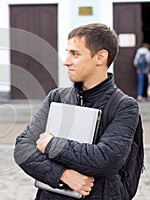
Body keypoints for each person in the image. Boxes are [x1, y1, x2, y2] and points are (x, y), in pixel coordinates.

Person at [14, 23, 139, 199]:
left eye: (75, 54)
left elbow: (106, 159)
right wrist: (63, 175)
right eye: (68, 52)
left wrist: (51, 144)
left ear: (100, 57)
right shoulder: (56, 97)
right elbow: (22, 149)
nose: (66, 61)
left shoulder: (124, 106)